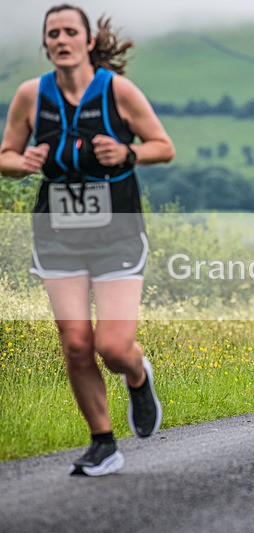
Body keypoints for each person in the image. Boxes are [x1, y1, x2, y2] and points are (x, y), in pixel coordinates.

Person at [0, 4, 175, 476]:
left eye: (69, 31)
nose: (61, 39)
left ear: (88, 41)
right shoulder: (30, 96)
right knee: (75, 343)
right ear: (45, 43)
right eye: (52, 33)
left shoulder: (116, 90)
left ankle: (138, 377)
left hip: (116, 232)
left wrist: (127, 151)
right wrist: (25, 161)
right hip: (56, 234)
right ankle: (103, 442)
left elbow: (163, 146)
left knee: (114, 347)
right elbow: (5, 157)